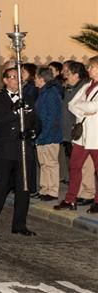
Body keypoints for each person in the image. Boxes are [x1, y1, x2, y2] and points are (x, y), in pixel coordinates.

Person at [0, 67, 38, 236]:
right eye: (13, 77)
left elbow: (36, 120)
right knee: (1, 187)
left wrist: (33, 131)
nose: (16, 80)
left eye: (19, 77)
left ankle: (19, 225)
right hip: (7, 150)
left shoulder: (28, 98)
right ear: (6, 80)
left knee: (23, 189)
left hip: (24, 149)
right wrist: (15, 110)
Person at [55, 56, 98, 213]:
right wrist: (85, 109)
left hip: (95, 135)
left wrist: (84, 107)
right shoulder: (86, 85)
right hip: (81, 136)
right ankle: (70, 199)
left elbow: (94, 106)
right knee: (74, 167)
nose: (88, 70)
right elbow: (71, 104)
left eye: (92, 67)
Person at [60, 61, 93, 203]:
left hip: (86, 131)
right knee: (76, 165)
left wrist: (80, 109)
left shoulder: (83, 86)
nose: (64, 74)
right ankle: (76, 194)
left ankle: (88, 193)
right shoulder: (75, 87)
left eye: (67, 72)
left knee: (87, 166)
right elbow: (70, 106)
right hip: (74, 131)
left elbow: (88, 107)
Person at [34, 67, 62, 201]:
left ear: (41, 78)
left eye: (36, 77)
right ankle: (45, 188)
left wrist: (43, 134)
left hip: (50, 134)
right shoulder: (43, 92)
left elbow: (52, 117)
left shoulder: (51, 93)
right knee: (44, 163)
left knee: (51, 163)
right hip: (42, 134)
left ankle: (52, 191)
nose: (34, 80)